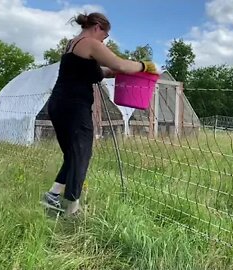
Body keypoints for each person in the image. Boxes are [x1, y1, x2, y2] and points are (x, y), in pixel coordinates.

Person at [40, 12, 158, 216]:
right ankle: (72, 207)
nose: (105, 38)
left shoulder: (72, 44)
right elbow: (119, 64)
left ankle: (53, 195)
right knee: (83, 153)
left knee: (72, 153)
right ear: (97, 27)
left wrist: (110, 72)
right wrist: (143, 66)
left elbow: (97, 71)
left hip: (59, 104)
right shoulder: (89, 43)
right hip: (74, 107)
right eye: (106, 34)